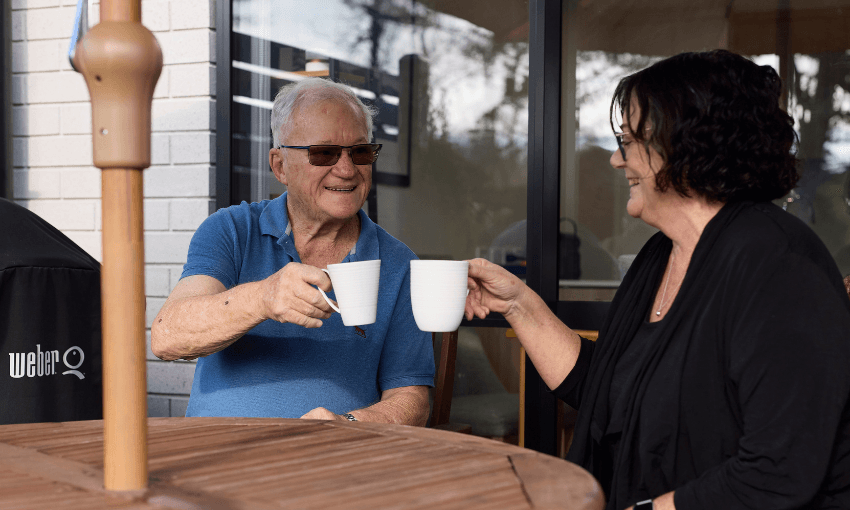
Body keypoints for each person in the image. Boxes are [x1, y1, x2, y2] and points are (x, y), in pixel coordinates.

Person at [465, 50, 850, 510]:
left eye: (628, 141)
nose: (615, 159)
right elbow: (608, 394)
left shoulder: (776, 265)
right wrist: (518, 304)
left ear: (684, 147)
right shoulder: (660, 254)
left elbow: (778, 470)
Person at [151, 78, 434, 425]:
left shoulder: (399, 264)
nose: (346, 170)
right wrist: (263, 298)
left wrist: (348, 424)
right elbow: (168, 337)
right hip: (216, 457)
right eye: (324, 153)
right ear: (280, 166)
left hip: (332, 461)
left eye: (360, 151)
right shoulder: (232, 230)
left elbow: (412, 399)